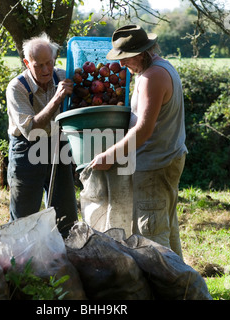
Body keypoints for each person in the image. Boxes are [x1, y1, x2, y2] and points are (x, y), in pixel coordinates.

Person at [90, 25, 188, 259]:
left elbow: (143, 131)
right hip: (166, 158)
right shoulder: (161, 68)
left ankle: (163, 287)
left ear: (142, 53)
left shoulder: (152, 77)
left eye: (126, 59)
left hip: (155, 164)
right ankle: (182, 288)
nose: (122, 65)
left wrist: (108, 156)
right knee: (167, 229)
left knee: (151, 237)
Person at [6, 33, 78, 237]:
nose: (46, 70)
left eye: (49, 63)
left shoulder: (63, 76)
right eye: (39, 65)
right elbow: (32, 130)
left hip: (57, 143)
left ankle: (63, 259)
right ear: (27, 63)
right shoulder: (16, 88)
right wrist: (57, 99)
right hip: (27, 147)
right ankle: (19, 263)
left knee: (65, 213)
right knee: (24, 216)